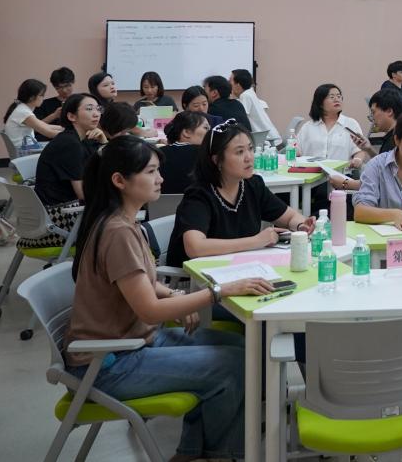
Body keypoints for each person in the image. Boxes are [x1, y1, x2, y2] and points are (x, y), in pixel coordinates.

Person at [66, 134, 272, 462]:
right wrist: (218, 292)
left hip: (135, 342)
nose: (160, 178)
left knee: (243, 349)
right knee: (234, 365)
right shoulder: (118, 232)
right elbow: (149, 310)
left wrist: (175, 293)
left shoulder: (123, 223)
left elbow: (142, 283)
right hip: (108, 363)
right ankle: (219, 453)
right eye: (150, 172)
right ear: (119, 180)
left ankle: (195, 450)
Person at [167, 119, 314, 268]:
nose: (249, 157)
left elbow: (290, 217)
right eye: (239, 152)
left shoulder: (253, 185)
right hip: (197, 276)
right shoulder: (199, 195)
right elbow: (195, 247)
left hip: (239, 268)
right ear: (217, 160)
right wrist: (256, 241)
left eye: (250, 149)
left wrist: (301, 226)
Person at [293, 84, 369, 188]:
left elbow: (360, 150)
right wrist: (293, 150)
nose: (336, 99)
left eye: (339, 96)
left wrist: (358, 160)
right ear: (320, 103)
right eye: (332, 97)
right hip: (310, 177)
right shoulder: (308, 126)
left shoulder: (350, 124)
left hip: (339, 178)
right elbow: (297, 150)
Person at [36, 93, 106, 207]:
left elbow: (105, 165)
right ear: (72, 116)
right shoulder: (70, 144)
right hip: (60, 210)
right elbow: (82, 195)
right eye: (89, 109)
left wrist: (103, 141)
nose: (96, 114)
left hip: (64, 204)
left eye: (98, 109)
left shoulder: (79, 138)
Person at [2, 78, 63, 150]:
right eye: (41, 95)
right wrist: (72, 134)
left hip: (27, 149)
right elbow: (49, 133)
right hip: (25, 152)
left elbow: (46, 126)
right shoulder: (23, 112)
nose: (43, 98)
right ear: (32, 97)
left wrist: (66, 128)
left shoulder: (22, 109)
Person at [160, 110, 209, 191]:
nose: (210, 132)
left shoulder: (158, 153)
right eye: (206, 128)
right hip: (200, 198)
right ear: (187, 132)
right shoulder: (208, 154)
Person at [231, 68, 281, 148]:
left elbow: (239, 118)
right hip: (272, 139)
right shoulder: (250, 92)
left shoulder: (245, 96)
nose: (229, 85)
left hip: (269, 143)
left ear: (238, 85)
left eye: (230, 82)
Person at [368, 87, 402, 152]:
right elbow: (384, 158)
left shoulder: (394, 142)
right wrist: (369, 149)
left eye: (373, 112)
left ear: (389, 111)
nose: (372, 118)